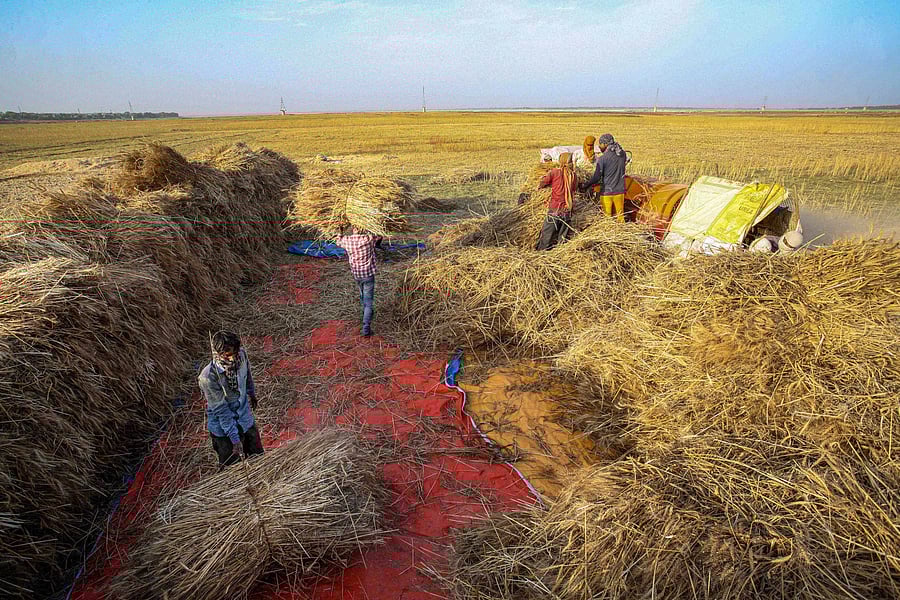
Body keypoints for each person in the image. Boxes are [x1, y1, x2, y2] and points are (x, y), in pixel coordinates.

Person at [199, 330, 263, 469]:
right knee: (233, 470)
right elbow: (222, 411)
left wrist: (251, 394)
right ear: (217, 353)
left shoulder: (242, 355)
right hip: (225, 430)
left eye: (235, 353)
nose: (233, 359)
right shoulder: (208, 377)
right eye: (228, 355)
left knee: (258, 459)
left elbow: (248, 376)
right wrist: (235, 439)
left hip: (244, 418)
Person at [336, 226, 381, 336]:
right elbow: (380, 235)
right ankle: (366, 326)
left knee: (362, 293)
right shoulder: (369, 239)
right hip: (368, 275)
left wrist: (340, 229)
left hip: (357, 274)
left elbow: (338, 240)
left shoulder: (347, 240)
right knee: (369, 302)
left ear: (354, 229)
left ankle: (365, 311)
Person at [580, 133, 628, 222]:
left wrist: (586, 185)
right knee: (620, 217)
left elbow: (596, 177)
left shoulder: (603, 159)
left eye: (600, 144)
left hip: (607, 192)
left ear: (605, 144)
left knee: (607, 218)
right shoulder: (623, 154)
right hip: (620, 191)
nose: (599, 146)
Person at [536, 152, 577, 250]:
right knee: (562, 240)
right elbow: (575, 188)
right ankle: (559, 256)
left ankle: (541, 255)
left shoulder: (555, 172)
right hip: (567, 211)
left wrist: (539, 186)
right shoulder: (573, 176)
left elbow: (544, 182)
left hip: (555, 210)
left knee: (546, 236)